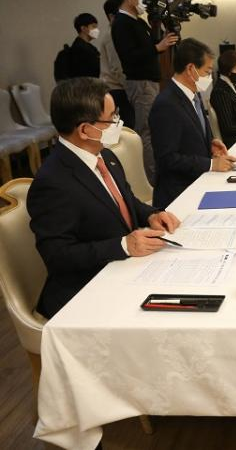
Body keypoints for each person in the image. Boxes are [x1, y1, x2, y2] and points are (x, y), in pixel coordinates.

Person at [27, 78, 180, 319]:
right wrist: (123, 245)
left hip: (126, 269)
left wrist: (152, 214)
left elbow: (125, 200)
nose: (118, 122)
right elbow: (57, 255)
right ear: (85, 130)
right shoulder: (52, 182)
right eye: (111, 118)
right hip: (87, 289)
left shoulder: (104, 156)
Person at [149, 38, 236, 208]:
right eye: (207, 71)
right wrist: (211, 164)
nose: (210, 77)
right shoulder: (166, 104)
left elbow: (189, 133)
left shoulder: (193, 95)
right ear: (190, 69)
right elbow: (167, 159)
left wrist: (209, 143)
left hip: (199, 179)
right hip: (180, 192)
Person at [111, 0, 179, 184]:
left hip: (150, 81)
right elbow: (129, 56)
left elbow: (151, 45)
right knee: (147, 130)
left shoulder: (138, 22)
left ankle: (159, 171)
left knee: (155, 127)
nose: (143, 1)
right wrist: (157, 48)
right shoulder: (121, 23)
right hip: (140, 82)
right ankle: (152, 180)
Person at [99, 0, 135, 130]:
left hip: (121, 88)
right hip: (117, 89)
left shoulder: (118, 32)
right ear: (111, 16)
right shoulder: (111, 35)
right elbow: (116, 67)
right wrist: (131, 89)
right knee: (127, 129)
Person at [67, 13, 101, 78]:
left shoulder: (88, 46)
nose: (97, 30)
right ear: (83, 28)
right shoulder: (80, 49)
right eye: (93, 26)